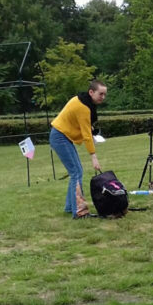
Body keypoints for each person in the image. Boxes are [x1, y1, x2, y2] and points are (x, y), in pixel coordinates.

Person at [49, 80, 106, 218]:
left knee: (77, 172)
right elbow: (86, 134)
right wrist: (93, 157)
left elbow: (83, 125)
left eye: (105, 94)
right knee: (76, 173)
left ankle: (70, 207)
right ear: (91, 92)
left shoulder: (83, 100)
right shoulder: (84, 107)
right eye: (100, 94)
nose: (103, 97)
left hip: (62, 135)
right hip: (60, 136)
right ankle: (79, 212)